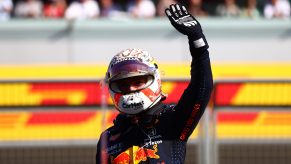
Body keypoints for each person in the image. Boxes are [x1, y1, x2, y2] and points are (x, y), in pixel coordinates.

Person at [96, 3, 213, 163]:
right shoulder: (107, 138)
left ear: (155, 79)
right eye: (123, 85)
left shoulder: (171, 119)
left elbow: (201, 89)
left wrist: (198, 43)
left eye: (137, 81)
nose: (130, 89)